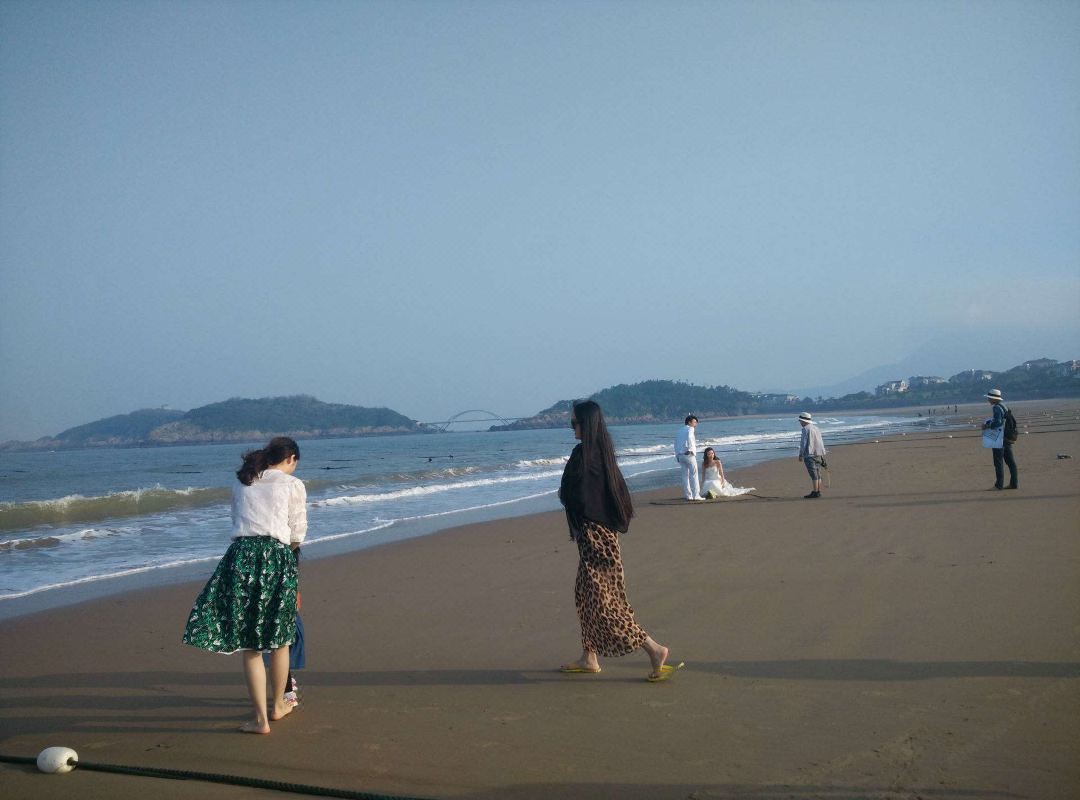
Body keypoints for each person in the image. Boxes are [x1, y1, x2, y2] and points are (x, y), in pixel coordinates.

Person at [182, 436, 307, 734]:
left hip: (240, 556)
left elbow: (236, 519)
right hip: (276, 556)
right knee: (280, 639)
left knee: (250, 646)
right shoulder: (292, 484)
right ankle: (278, 706)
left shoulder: (243, 482)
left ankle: (260, 720)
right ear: (290, 458)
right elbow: (297, 534)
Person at [559, 400, 683, 682]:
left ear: (586, 424)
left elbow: (579, 497)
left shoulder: (587, 457)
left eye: (574, 423)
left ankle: (654, 649)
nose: (571, 428)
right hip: (599, 537)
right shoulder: (599, 453)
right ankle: (589, 656)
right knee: (584, 595)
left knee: (605, 602)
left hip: (596, 539)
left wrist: (584, 520)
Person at [982, 389, 1018, 490]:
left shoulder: (996, 408)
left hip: (1000, 437)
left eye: (989, 398)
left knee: (998, 462)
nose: (988, 399)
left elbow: (998, 422)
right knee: (1010, 461)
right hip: (1007, 437)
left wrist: (987, 425)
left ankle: (999, 485)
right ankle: (1014, 483)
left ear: (993, 399)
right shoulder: (1004, 406)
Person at [797, 412, 827, 498]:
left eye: (800, 421)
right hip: (818, 453)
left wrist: (801, 454)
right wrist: (822, 453)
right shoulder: (816, 428)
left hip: (809, 454)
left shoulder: (805, 429)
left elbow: (803, 443)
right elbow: (820, 441)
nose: (800, 422)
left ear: (804, 421)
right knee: (818, 473)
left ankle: (815, 492)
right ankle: (818, 491)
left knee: (813, 474)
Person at [675, 414, 703, 501]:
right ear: (689, 422)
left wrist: (677, 455)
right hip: (688, 454)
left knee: (685, 476)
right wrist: (690, 449)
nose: (696, 424)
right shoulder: (690, 428)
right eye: (695, 422)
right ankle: (696, 495)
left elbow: (675, 443)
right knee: (694, 474)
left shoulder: (679, 430)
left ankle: (688, 495)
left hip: (680, 455)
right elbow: (690, 438)